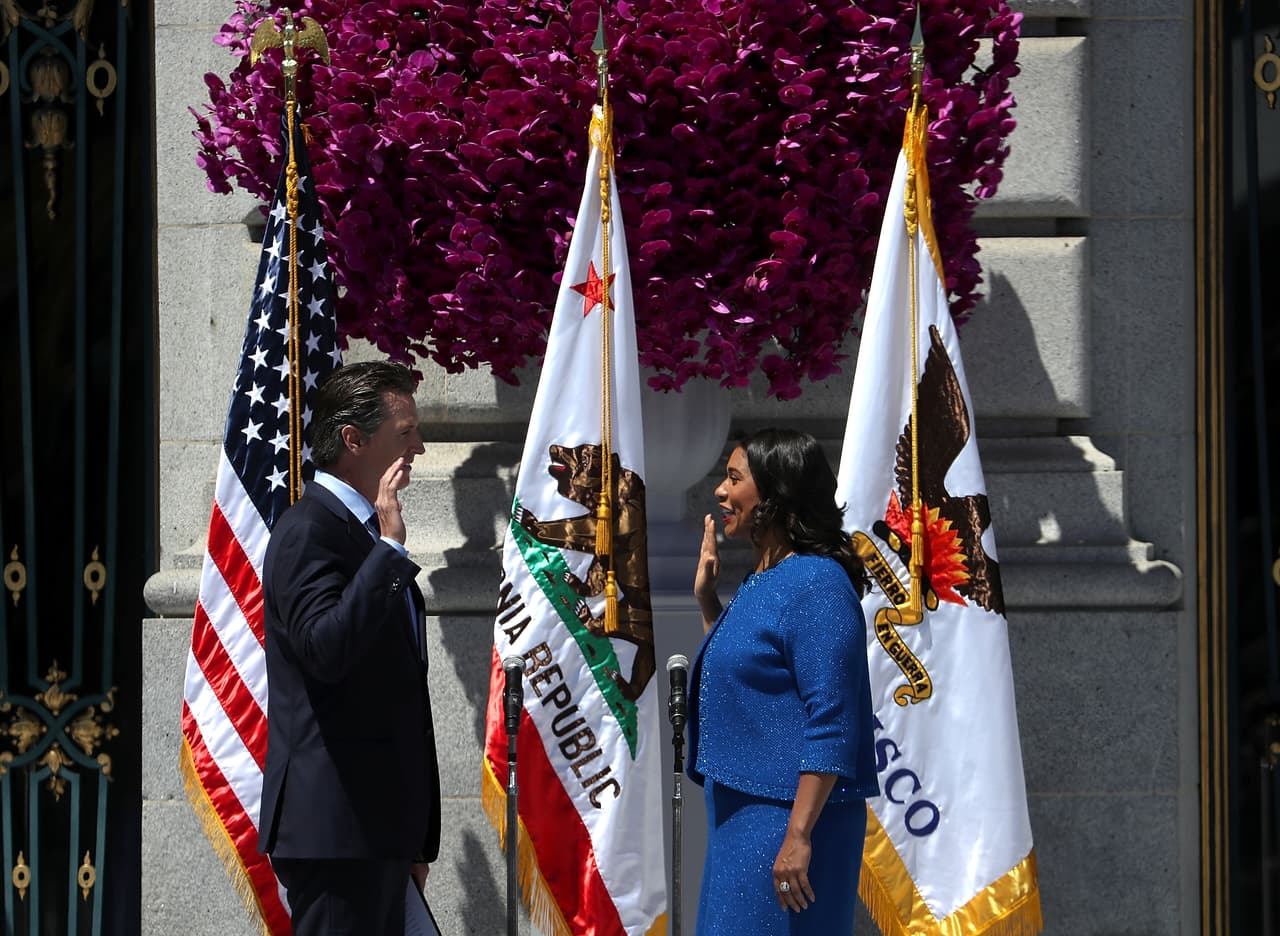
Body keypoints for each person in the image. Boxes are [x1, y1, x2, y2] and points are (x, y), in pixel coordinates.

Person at [257, 360, 440, 935]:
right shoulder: (308, 528)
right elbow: (324, 649)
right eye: (405, 431)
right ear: (353, 440)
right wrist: (388, 552)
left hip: (377, 829)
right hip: (337, 832)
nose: (420, 446)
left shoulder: (359, 531)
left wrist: (410, 831)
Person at [689, 427, 880, 935]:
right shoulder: (766, 576)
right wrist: (709, 603)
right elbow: (747, 680)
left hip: (787, 824)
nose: (720, 492)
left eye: (733, 478)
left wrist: (798, 836)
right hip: (743, 816)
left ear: (775, 492)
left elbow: (833, 720)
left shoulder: (817, 584)